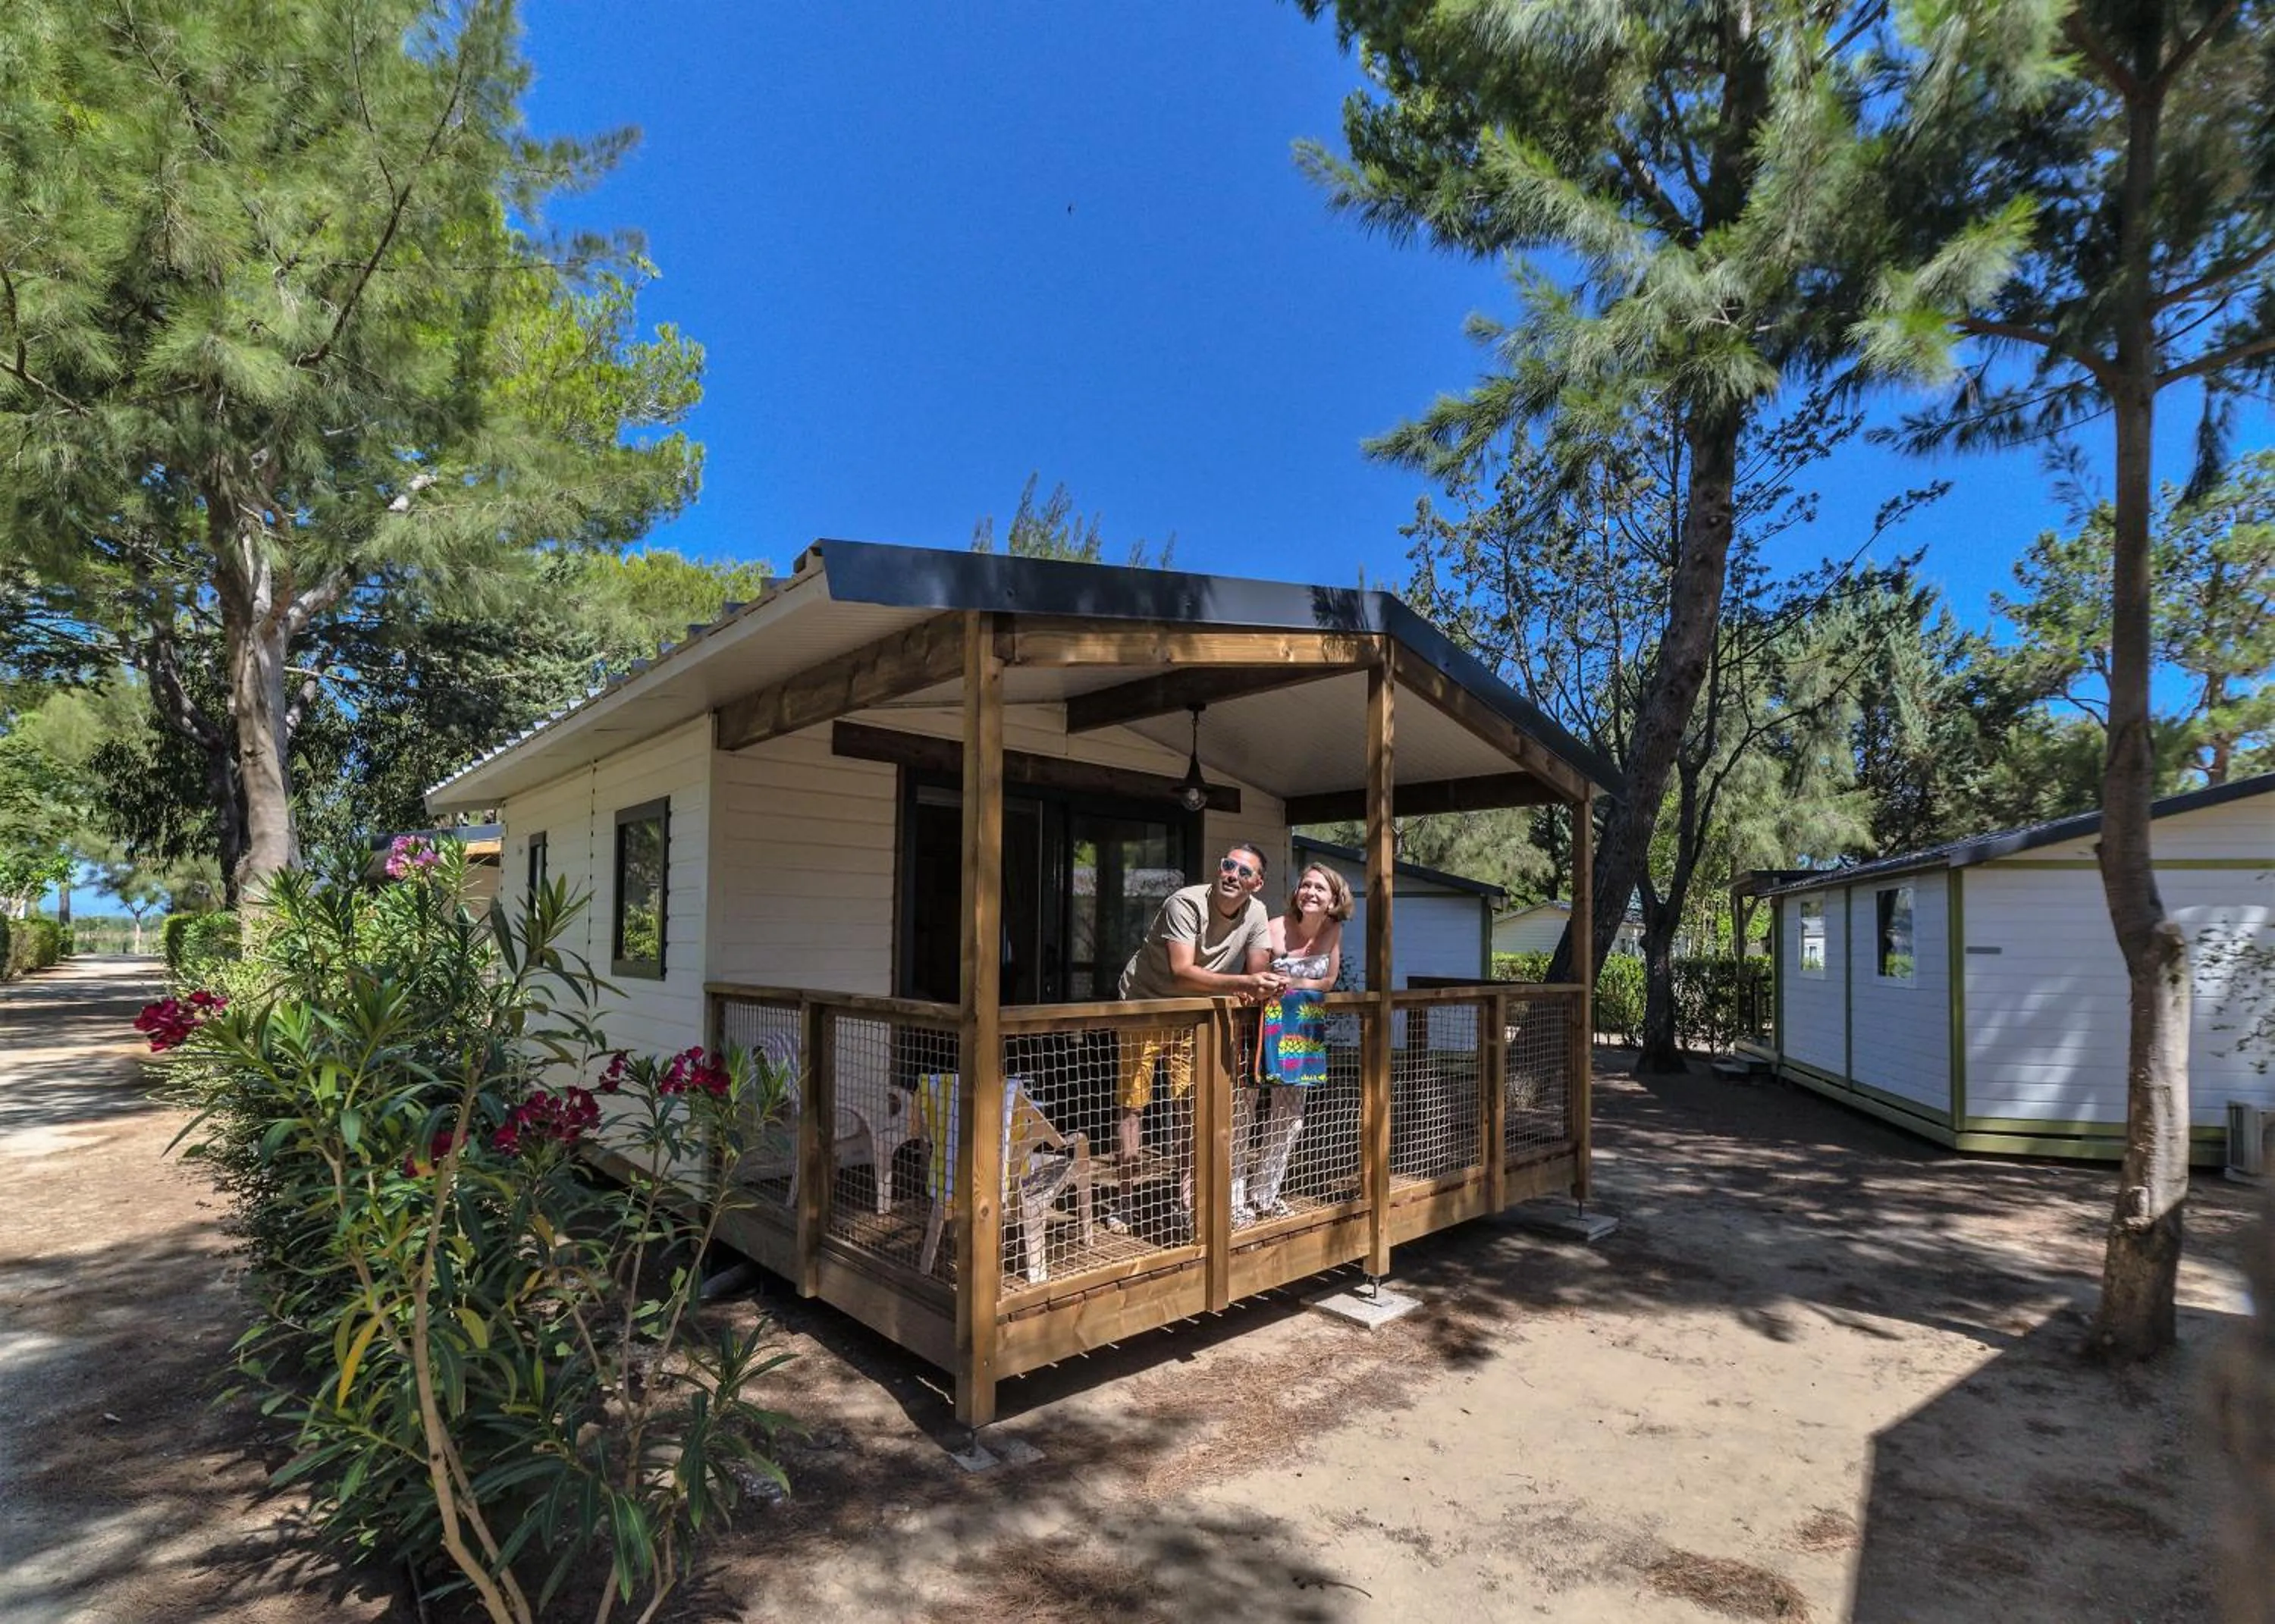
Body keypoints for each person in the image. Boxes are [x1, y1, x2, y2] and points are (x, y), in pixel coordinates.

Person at [1109, 842, 1284, 1233]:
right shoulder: (1184, 903)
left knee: (1191, 1106)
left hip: (1194, 1014)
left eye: (1243, 872)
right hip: (1145, 1006)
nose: (1232, 875)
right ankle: (1124, 1200)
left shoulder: (1256, 913)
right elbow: (1182, 971)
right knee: (1133, 1106)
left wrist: (1269, 984)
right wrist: (1245, 982)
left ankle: (1185, 1198)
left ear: (1257, 883)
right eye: (1227, 866)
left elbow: (1257, 973)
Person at [1241, 862, 1350, 1221]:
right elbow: (1254, 977)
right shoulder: (1273, 928)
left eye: (1320, 888)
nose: (1311, 893)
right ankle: (1234, 1199)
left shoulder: (1333, 930)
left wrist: (1297, 985)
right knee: (1243, 1114)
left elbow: (1329, 980)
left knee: (1290, 1117)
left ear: (1334, 898)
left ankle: (1265, 1194)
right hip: (1257, 1033)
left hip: (1302, 1035)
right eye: (1306, 886)